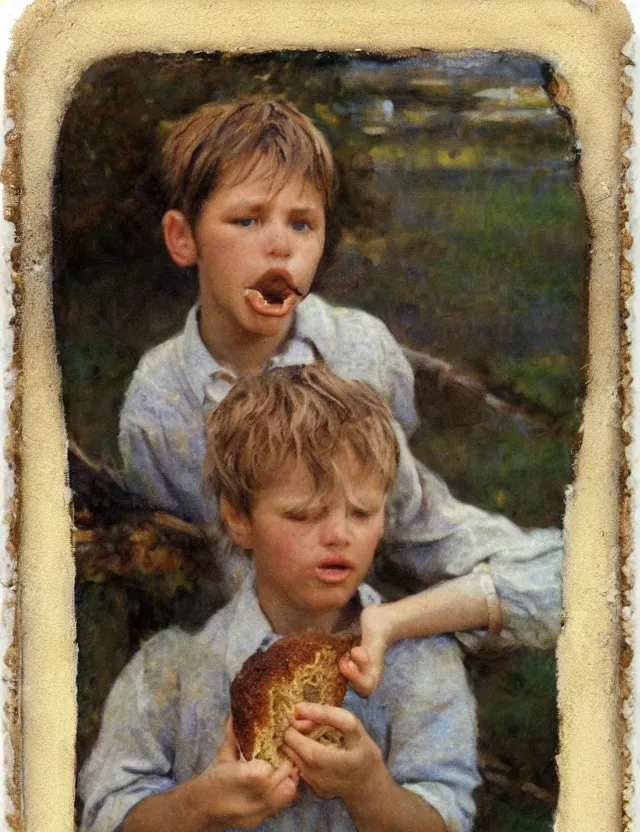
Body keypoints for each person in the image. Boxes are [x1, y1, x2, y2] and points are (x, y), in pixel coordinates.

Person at [118, 98, 563, 696]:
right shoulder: (159, 402)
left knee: (593, 575)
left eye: (301, 223)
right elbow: (179, 569)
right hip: (254, 642)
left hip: (389, 572)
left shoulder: (357, 347)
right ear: (183, 238)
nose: (280, 247)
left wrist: (393, 608)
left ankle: (399, 626)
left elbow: (400, 497)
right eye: (247, 220)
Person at [80, 365, 480, 832]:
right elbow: (105, 817)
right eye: (303, 514)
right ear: (239, 518)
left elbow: (448, 820)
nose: (338, 535)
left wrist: (369, 788)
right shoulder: (168, 674)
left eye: (362, 512)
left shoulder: (423, 664)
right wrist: (193, 808)